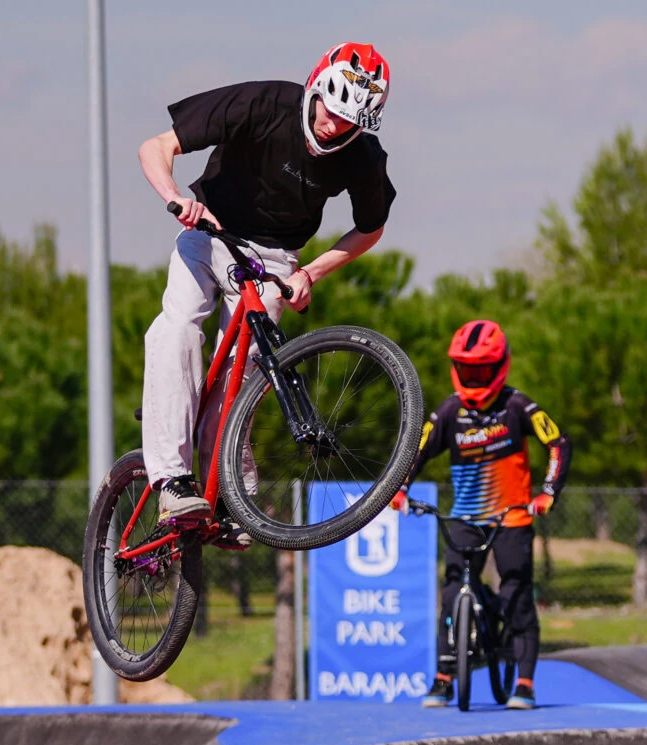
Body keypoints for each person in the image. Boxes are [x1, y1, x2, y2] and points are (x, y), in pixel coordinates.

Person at [137, 43, 396, 546]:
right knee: (180, 324)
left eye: (349, 122)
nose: (334, 127)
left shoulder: (362, 156)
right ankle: (171, 479)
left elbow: (371, 228)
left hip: (273, 260)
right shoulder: (263, 103)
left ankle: (229, 494)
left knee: (249, 370)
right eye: (330, 111)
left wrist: (313, 273)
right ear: (317, 87)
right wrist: (177, 199)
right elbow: (156, 146)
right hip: (209, 230)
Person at [392, 320, 572, 709]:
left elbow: (558, 443)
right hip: (465, 517)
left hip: (513, 517)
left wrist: (547, 493)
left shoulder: (519, 406)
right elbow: (417, 451)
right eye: (467, 368)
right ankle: (443, 679)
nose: (474, 377)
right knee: (451, 592)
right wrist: (400, 488)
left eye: (482, 369)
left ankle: (523, 683)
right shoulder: (450, 412)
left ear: (500, 366)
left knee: (517, 595)